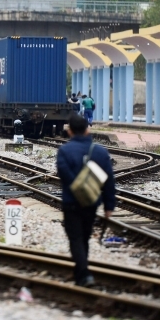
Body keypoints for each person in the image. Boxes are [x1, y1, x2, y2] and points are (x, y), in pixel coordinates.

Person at [56, 113, 116, 286]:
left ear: (70, 132)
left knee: (75, 238)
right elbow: (109, 180)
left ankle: (83, 273)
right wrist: (109, 205)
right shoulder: (100, 152)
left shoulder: (64, 151)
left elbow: (64, 175)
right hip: (91, 202)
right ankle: (81, 272)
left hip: (71, 202)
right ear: (87, 130)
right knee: (84, 237)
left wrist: (75, 187)